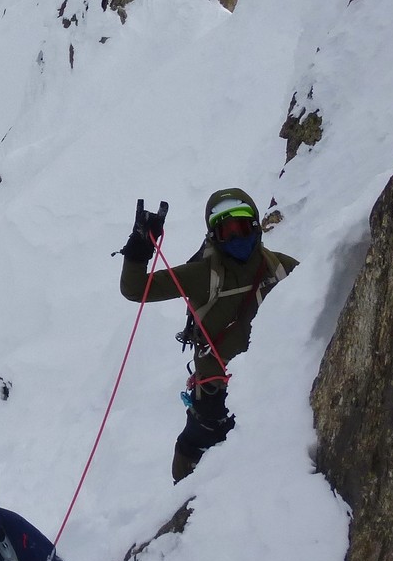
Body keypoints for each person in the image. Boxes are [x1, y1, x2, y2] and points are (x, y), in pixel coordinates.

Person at [118, 187, 298, 482]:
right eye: (227, 231)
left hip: (262, 388)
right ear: (214, 236)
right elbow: (135, 289)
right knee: (198, 453)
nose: (236, 238)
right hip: (225, 395)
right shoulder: (207, 275)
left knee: (198, 455)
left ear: (255, 226)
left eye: (242, 227)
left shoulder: (279, 268)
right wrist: (140, 245)